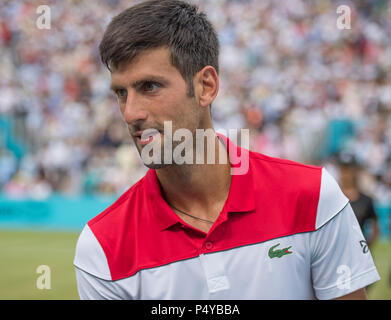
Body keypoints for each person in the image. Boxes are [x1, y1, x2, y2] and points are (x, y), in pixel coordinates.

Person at [73, 0, 380, 300]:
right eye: (121, 93)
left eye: (149, 87)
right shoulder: (102, 246)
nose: (130, 114)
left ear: (206, 86)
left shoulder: (312, 196)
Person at [337, 152, 380, 249]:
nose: (346, 173)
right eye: (343, 169)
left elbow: (375, 226)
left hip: (357, 252)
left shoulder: (366, 200)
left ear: (355, 171)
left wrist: (367, 248)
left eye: (349, 169)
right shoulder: (332, 198)